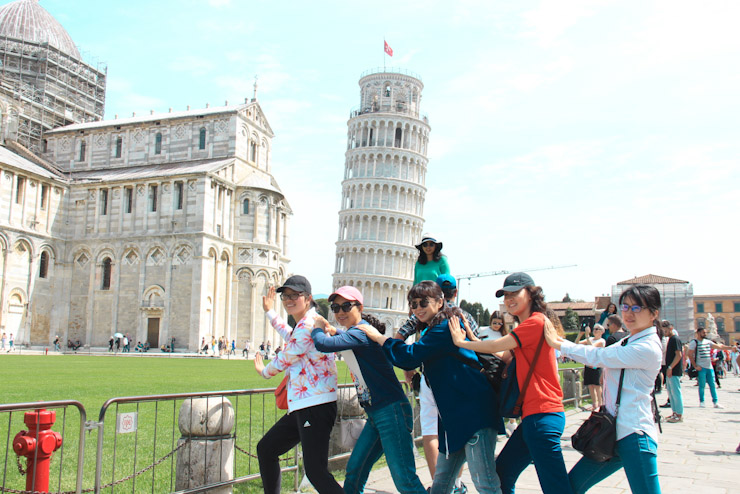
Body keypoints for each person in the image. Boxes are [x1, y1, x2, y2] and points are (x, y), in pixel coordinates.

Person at [361, 281, 503, 494]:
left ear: (439, 302)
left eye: (423, 302)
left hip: (474, 416)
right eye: (413, 304)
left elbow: (408, 356)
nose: (418, 308)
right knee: (441, 485)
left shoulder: (444, 328)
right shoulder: (437, 328)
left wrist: (379, 338)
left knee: (485, 483)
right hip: (457, 418)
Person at [448, 272, 572, 494]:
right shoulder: (529, 326)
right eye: (505, 295)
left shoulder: (535, 322)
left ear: (531, 294)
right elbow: (506, 355)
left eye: (515, 293)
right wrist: (474, 339)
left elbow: (497, 347)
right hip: (535, 418)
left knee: (556, 487)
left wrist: (460, 342)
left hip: (542, 415)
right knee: (503, 474)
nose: (509, 299)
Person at [543, 284, 663, 494]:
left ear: (654, 313)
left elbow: (598, 357)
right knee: (571, 486)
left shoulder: (648, 347)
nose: (628, 313)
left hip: (635, 434)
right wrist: (559, 340)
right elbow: (591, 353)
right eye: (625, 307)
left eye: (636, 308)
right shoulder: (629, 340)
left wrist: (557, 343)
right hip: (612, 432)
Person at [311, 286, 426, 494]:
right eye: (335, 307)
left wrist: (318, 327)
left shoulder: (360, 333)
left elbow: (323, 344)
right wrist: (334, 329)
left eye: (346, 306)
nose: (340, 312)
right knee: (355, 470)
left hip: (391, 412)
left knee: (405, 480)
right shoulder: (356, 333)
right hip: (378, 414)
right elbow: (343, 339)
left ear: (360, 307)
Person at [254, 275, 342, 494]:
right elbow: (290, 335)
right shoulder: (305, 323)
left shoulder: (309, 324)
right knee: (266, 449)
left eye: (295, 295)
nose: (289, 300)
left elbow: (288, 355)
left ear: (309, 298)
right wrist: (270, 311)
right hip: (305, 405)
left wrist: (264, 371)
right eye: (286, 296)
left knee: (316, 472)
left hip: (314, 405)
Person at [393, 274, 477, 493]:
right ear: (454, 294)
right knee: (452, 433)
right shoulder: (463, 314)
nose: (419, 307)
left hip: (433, 379)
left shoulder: (425, 318)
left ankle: (440, 484)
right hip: (457, 381)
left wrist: (408, 365)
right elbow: (477, 344)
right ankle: (453, 484)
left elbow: (400, 337)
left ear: (438, 296)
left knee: (432, 432)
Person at [688, 327, 734, 408]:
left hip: (709, 367)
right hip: (701, 367)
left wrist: (730, 348)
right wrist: (695, 365)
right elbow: (690, 354)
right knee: (702, 385)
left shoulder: (708, 342)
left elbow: (719, 346)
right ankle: (702, 401)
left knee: (712, 384)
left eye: (705, 332)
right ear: (698, 333)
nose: (705, 334)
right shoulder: (694, 342)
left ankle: (715, 402)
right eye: (703, 332)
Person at [575, 325, 605, 411]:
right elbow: (576, 344)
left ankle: (600, 403)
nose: (595, 331)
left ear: (601, 331)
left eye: (597, 329)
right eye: (594, 329)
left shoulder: (601, 341)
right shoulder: (590, 339)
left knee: (597, 385)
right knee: (590, 385)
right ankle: (594, 403)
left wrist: (587, 336)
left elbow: (592, 346)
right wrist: (580, 335)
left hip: (597, 365)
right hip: (588, 364)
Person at [661, 320, 684, 423]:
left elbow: (678, 355)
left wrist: (670, 367)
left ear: (670, 329)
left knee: (675, 392)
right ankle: (674, 413)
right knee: (670, 392)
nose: (664, 333)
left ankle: (679, 414)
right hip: (670, 369)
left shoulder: (675, 339)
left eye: (665, 331)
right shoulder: (670, 339)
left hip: (674, 370)